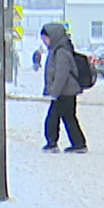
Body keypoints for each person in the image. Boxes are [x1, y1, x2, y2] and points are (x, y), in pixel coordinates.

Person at [40, 23, 88, 153]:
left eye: (46, 38)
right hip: (67, 91)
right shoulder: (57, 50)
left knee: (53, 117)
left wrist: (54, 92)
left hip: (64, 91)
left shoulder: (61, 52)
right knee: (69, 117)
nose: (44, 41)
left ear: (54, 36)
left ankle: (52, 143)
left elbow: (62, 74)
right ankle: (79, 143)